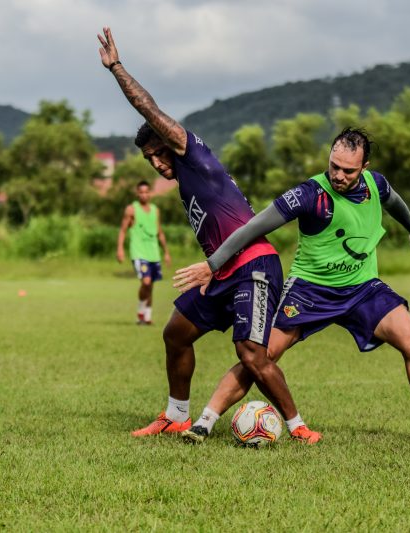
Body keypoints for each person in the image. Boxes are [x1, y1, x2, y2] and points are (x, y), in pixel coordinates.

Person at [97, 26, 321, 443]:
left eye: (158, 153)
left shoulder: (193, 154)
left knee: (251, 354)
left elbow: (148, 108)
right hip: (219, 271)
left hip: (254, 265)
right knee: (175, 333)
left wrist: (117, 69)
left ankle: (299, 428)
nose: (157, 163)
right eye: (149, 160)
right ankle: (175, 416)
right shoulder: (185, 180)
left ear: (170, 142)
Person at [174, 128, 410, 445]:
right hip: (309, 291)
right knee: (260, 356)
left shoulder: (375, 184)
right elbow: (254, 226)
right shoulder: (309, 194)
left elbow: (394, 201)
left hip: (362, 287)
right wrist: (213, 264)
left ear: (364, 167)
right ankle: (204, 422)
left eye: (348, 170)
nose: (338, 175)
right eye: (334, 166)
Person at [117, 180, 172, 325]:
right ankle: (141, 312)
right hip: (139, 252)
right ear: (137, 193)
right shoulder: (131, 209)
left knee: (151, 285)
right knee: (146, 282)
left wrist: (166, 252)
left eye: (146, 192)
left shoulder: (155, 210)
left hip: (154, 253)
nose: (144, 195)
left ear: (150, 193)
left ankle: (147, 317)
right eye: (141, 192)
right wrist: (120, 249)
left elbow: (160, 232)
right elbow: (123, 230)